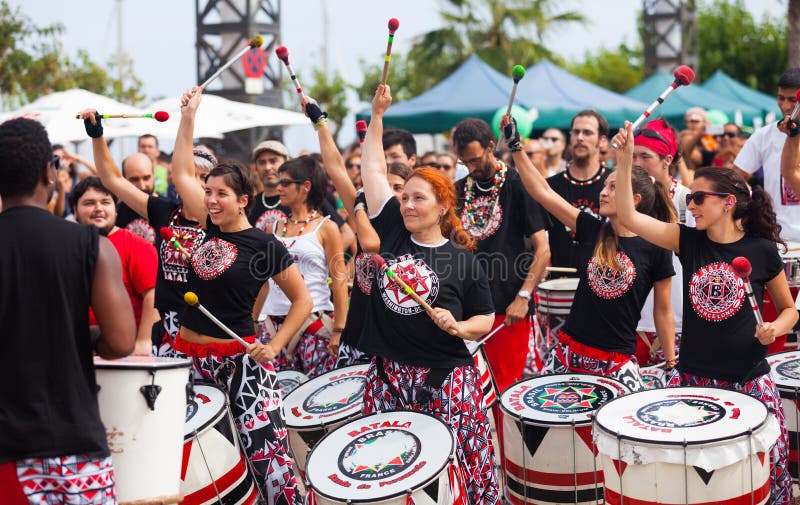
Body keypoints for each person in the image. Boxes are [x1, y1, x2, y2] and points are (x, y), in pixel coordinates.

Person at [614, 121, 797, 504]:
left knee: (758, 481)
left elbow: (789, 311)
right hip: (693, 381)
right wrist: (625, 157)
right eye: (690, 199)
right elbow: (629, 218)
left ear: (727, 202)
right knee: (692, 486)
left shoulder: (762, 250)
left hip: (748, 382)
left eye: (698, 198)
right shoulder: (688, 240)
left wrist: (775, 327)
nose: (691, 205)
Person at [168, 86, 313, 505]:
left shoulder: (263, 245)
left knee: (272, 468)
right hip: (193, 368)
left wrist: (277, 345)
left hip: (243, 368)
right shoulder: (207, 226)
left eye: (220, 194)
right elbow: (180, 173)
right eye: (207, 193)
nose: (210, 200)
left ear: (243, 200)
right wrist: (188, 117)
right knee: (212, 470)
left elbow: (301, 301)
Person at [361, 84, 499, 505]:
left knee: (463, 472)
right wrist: (378, 116)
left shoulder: (463, 259)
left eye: (417, 199)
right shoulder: (392, 232)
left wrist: (458, 325)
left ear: (442, 206)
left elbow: (486, 319)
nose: (406, 205)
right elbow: (371, 172)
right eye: (404, 198)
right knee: (390, 477)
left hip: (446, 383)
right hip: (387, 378)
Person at [0, 117, 136, 503]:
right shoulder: (91, 246)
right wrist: (84, 335)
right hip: (75, 445)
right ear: (50, 171)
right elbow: (121, 341)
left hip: (8, 449)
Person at [503, 115, 676, 391]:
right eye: (605, 186)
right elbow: (542, 192)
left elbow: (663, 312)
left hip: (617, 362)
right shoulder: (592, 230)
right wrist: (516, 146)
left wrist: (670, 362)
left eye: (612, 187)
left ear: (634, 200)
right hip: (568, 352)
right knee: (533, 427)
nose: (603, 193)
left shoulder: (657, 246)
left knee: (620, 432)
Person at [451, 117, 550, 439]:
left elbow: (544, 249)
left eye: (476, 160)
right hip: (467, 312)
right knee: (469, 398)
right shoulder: (457, 191)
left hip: (508, 310)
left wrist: (523, 297)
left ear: (492, 147)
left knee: (505, 398)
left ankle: (512, 477)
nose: (471, 167)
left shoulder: (516, 185)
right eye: (464, 162)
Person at [84, 113, 211, 359]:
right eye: (189, 174)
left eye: (203, 177)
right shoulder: (163, 210)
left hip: (208, 328)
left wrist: (188, 117)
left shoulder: (218, 222)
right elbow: (112, 179)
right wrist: (97, 136)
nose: (194, 183)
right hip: (167, 330)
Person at [258, 155, 348, 378]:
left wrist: (338, 330)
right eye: (279, 182)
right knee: (274, 396)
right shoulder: (274, 227)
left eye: (286, 183)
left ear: (306, 186)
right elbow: (264, 280)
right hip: (273, 324)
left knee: (313, 400)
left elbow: (339, 282)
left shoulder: (327, 228)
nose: (279, 187)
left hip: (313, 326)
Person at [70, 176, 160, 357]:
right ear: (74, 211)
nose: (98, 209)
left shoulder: (138, 246)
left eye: (105, 202)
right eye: (89, 203)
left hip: (126, 354)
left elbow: (153, 296)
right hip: (75, 351)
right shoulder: (65, 247)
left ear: (116, 210)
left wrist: (143, 342)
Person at [546, 110, 613, 274]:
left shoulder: (614, 184)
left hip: (604, 283)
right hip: (557, 287)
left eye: (587, 132)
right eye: (576, 132)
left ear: (602, 141)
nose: (580, 137)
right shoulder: (551, 186)